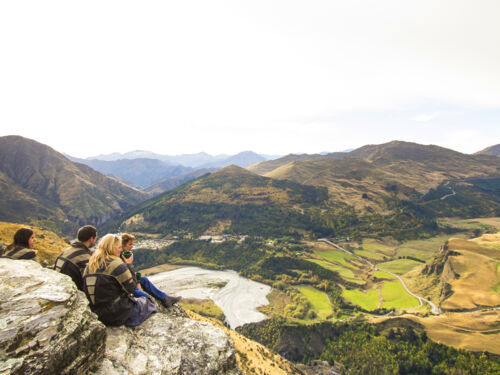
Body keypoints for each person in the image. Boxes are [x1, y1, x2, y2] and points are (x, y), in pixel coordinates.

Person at [83, 234, 157, 326]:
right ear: (111, 248)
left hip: (98, 313)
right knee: (148, 303)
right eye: (119, 247)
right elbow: (132, 288)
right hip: (117, 314)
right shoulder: (116, 265)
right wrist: (129, 265)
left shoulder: (90, 265)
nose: (121, 250)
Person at [121, 233, 181, 308]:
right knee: (144, 296)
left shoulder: (123, 255)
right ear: (123, 245)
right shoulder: (121, 258)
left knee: (144, 280)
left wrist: (138, 280)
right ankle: (154, 303)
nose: (132, 246)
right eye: (130, 244)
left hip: (128, 283)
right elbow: (126, 278)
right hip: (125, 287)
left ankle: (165, 298)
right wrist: (130, 265)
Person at [54, 225, 98, 291]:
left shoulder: (66, 251)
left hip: (58, 286)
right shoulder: (86, 259)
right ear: (91, 239)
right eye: (95, 238)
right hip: (72, 291)